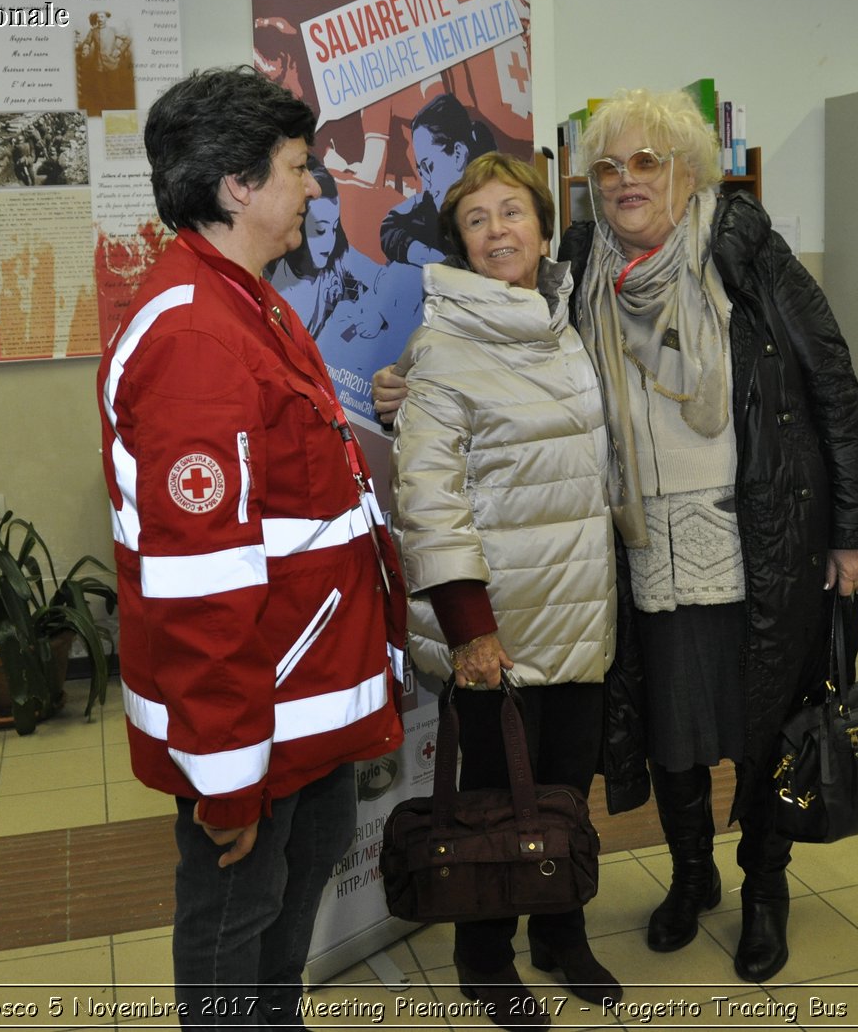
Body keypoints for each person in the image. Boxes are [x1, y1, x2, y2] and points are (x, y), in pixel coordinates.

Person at [374, 88, 858, 984]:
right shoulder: (577, 268)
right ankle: (691, 877)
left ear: (688, 170)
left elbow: (834, 386)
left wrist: (855, 532)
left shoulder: (746, 255)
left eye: (646, 162)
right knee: (670, 733)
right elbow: (490, 355)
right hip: (637, 557)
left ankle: (765, 886)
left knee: (767, 731)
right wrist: (405, 377)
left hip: (760, 547)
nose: (625, 182)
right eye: (607, 168)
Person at [95, 65, 406, 1026]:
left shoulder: (246, 300)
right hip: (252, 726)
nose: (315, 187)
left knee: (282, 926)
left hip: (298, 703)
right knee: (237, 926)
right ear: (237, 185)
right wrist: (226, 780)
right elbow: (201, 586)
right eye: (298, 168)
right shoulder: (198, 336)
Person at [390, 153, 617, 1028]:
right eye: (477, 219)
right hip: (496, 623)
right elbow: (431, 499)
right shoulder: (441, 347)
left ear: (543, 228)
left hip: (581, 610)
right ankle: (483, 956)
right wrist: (469, 630)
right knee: (491, 798)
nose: (497, 231)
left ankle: (563, 931)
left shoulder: (563, 326)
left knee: (565, 784)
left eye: (512, 212)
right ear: (460, 243)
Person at [265, 160, 385, 339]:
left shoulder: (339, 258)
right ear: (296, 223)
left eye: (335, 228)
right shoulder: (267, 273)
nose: (330, 240)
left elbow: (385, 280)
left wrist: (376, 314)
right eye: (320, 230)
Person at [379, 94, 494, 266]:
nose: (425, 185)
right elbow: (389, 227)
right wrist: (426, 256)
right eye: (420, 170)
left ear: (458, 155)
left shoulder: (496, 198)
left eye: (429, 166)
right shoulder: (427, 205)